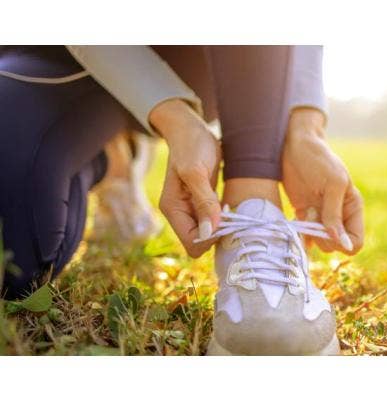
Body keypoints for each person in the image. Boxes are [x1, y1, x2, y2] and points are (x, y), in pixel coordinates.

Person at [0, 45, 364, 355]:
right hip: (52, 57)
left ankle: (254, 204)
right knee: (10, 259)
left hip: (207, 58)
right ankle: (114, 160)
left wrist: (306, 127)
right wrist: (175, 119)